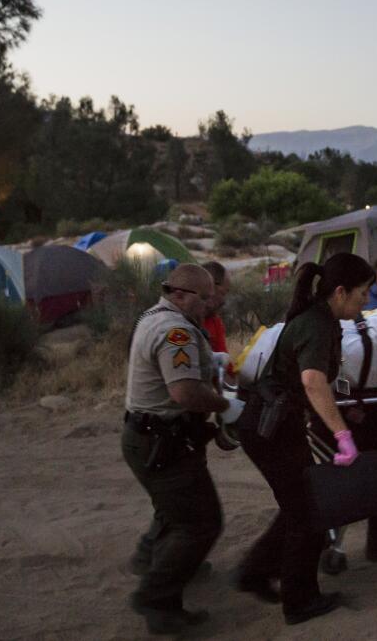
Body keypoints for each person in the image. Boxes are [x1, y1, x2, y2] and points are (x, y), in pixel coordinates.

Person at [234, 253, 374, 625]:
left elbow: (315, 382)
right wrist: (342, 434)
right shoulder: (317, 324)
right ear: (340, 292)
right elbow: (312, 382)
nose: (367, 301)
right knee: (309, 513)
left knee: (299, 504)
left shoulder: (321, 320)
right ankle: (299, 601)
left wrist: (343, 412)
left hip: (272, 425)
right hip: (271, 428)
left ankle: (255, 571)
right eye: (363, 293)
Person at [122, 263, 232, 635]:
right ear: (183, 294)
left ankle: (160, 563)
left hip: (150, 437)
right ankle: (157, 597)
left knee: (175, 513)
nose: (210, 305)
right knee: (200, 522)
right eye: (205, 298)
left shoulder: (153, 316)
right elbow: (183, 391)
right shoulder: (176, 331)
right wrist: (225, 405)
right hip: (162, 441)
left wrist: (209, 363)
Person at [311, 240, 377, 563]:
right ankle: (330, 546)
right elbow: (346, 358)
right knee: (350, 470)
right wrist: (349, 400)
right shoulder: (362, 303)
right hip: (347, 398)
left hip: (364, 397)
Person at [199, 261, 229, 353]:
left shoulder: (215, 321)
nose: (224, 301)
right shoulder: (182, 321)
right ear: (211, 287)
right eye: (223, 293)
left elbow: (225, 364)